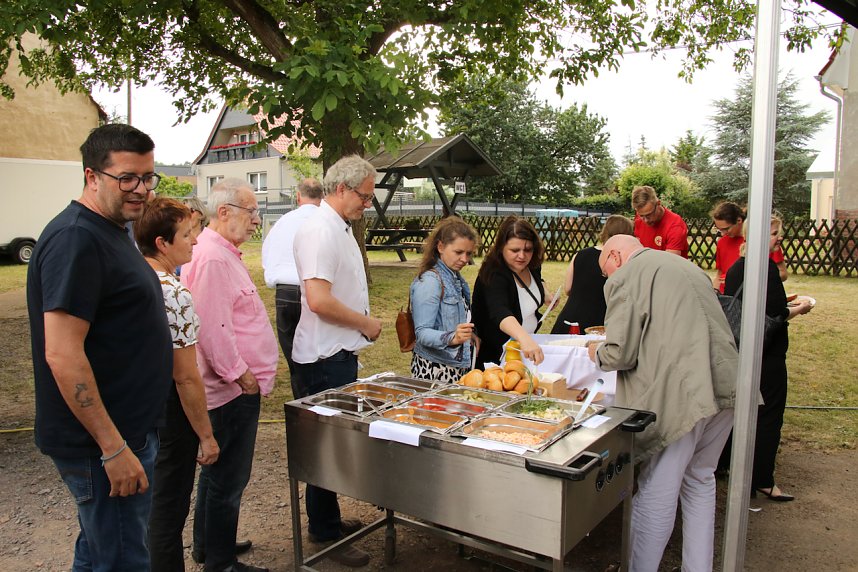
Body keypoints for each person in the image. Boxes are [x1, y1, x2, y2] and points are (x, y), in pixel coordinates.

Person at [26, 123, 173, 570]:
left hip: (126, 432)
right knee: (123, 559)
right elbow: (62, 353)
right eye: (128, 178)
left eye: (149, 177)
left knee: (99, 551)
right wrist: (112, 448)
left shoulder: (112, 229)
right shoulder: (77, 238)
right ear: (92, 176)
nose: (142, 190)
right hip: (102, 443)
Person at [588, 234, 738, 572]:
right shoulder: (688, 266)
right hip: (726, 385)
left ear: (615, 256)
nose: (607, 278)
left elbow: (620, 353)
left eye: (605, 271)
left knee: (657, 489)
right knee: (700, 480)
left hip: (685, 395)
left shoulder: (626, 275)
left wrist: (595, 351)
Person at [181, 178, 278, 572]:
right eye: (251, 212)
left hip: (230, 389)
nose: (256, 220)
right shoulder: (213, 258)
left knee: (219, 476)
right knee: (228, 479)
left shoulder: (221, 252)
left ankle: (209, 545)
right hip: (228, 391)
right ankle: (219, 562)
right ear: (224, 213)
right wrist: (242, 376)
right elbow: (210, 328)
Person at [291, 155, 382, 568]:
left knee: (332, 444)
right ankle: (324, 531)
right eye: (365, 195)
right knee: (324, 448)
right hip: (324, 357)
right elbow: (318, 300)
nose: (369, 202)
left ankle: (326, 519)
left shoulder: (337, 225)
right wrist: (366, 323)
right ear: (342, 188)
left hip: (337, 352)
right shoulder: (319, 229)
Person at [135, 197, 220, 572]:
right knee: (167, 513)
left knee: (148, 509)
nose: (196, 241)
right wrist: (205, 434)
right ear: (161, 243)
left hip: (137, 410)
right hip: (169, 415)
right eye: (187, 234)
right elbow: (185, 375)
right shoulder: (174, 292)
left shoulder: (133, 277)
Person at [723, 215, 813, 501]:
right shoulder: (765, 269)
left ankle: (731, 464)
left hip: (742, 348)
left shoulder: (738, 267)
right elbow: (774, 315)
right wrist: (801, 307)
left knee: (741, 412)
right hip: (767, 352)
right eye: (774, 233)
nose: (779, 238)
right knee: (768, 414)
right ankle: (762, 478)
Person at [261, 178, 323, 393]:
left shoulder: (283, 222)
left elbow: (267, 254)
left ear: (298, 196)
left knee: (293, 352)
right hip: (315, 288)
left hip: (285, 290)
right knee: (319, 351)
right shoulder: (326, 221)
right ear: (322, 196)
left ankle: (301, 395)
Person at [472, 216, 547, 368]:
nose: (522, 256)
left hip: (523, 355)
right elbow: (499, 311)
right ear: (501, 247)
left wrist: (546, 293)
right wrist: (524, 339)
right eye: (514, 250)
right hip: (495, 359)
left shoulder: (532, 266)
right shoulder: (494, 274)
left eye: (528, 250)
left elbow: (538, 280)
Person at [409, 217, 478, 382]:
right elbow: (422, 333)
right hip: (435, 370)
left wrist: (471, 337)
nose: (465, 259)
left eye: (469, 253)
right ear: (440, 247)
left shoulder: (455, 278)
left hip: (454, 367)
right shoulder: (430, 281)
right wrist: (453, 337)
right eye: (458, 252)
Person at [550, 215, 634, 333]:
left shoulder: (581, 254)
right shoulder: (623, 262)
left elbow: (568, 289)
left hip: (571, 319)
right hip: (600, 323)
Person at [631, 185, 688, 258]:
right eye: (641, 215)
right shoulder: (639, 218)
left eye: (649, 215)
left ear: (658, 204)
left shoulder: (675, 225)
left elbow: (671, 263)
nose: (645, 220)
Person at [712, 201, 746, 293]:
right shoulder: (722, 242)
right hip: (726, 296)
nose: (723, 233)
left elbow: (782, 273)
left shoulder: (756, 243)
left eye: (726, 229)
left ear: (739, 220)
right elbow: (720, 273)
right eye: (719, 230)